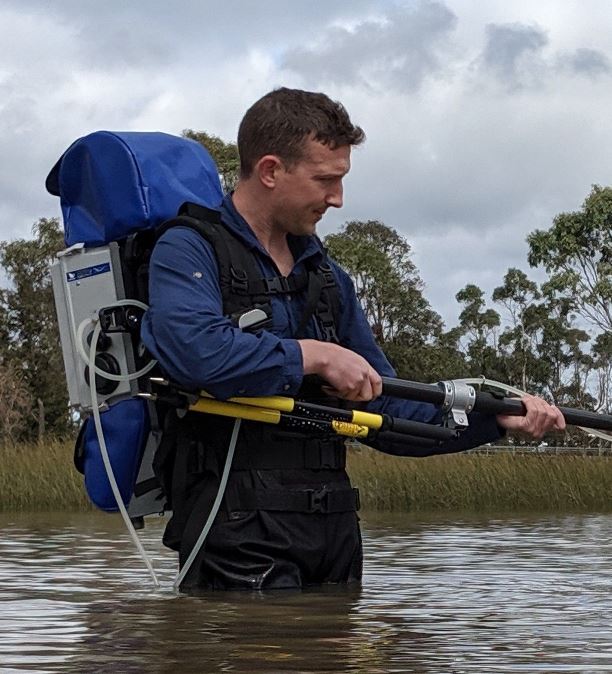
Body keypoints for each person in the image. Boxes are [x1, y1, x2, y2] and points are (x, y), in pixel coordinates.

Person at [141, 87, 565, 591]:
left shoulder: (327, 277)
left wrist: (495, 419)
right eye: (326, 180)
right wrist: (313, 356)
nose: (337, 199)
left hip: (335, 526)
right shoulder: (187, 248)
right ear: (271, 170)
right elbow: (196, 354)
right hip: (234, 527)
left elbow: (387, 408)